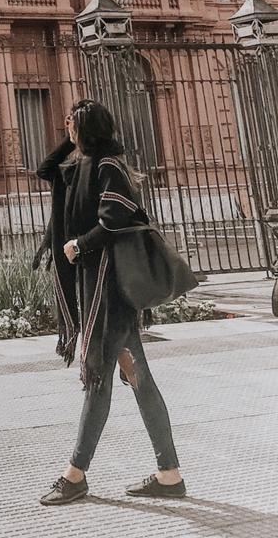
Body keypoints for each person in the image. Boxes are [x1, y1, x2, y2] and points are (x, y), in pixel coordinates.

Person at [35, 98, 185, 506]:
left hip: (110, 287)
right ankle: (169, 473)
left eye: (72, 122)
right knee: (136, 378)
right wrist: (72, 139)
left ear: (87, 129)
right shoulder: (81, 165)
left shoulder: (107, 167)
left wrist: (79, 246)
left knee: (98, 377)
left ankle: (75, 475)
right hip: (98, 287)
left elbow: (115, 217)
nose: (66, 125)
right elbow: (45, 170)